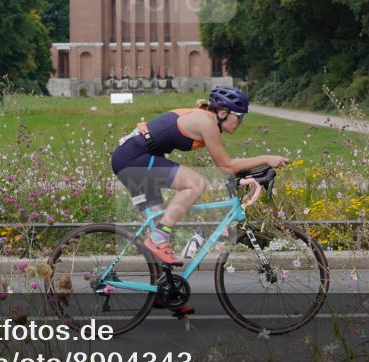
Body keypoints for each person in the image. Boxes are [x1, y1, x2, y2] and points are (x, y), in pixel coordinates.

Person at [111, 86, 289, 266]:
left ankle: (162, 289)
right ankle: (158, 239)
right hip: (133, 159)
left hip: (131, 158)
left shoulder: (204, 118)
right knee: (195, 184)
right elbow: (227, 166)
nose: (241, 122)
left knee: (160, 232)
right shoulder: (207, 123)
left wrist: (246, 178)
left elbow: (225, 165)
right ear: (223, 113)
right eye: (240, 117)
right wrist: (266, 158)